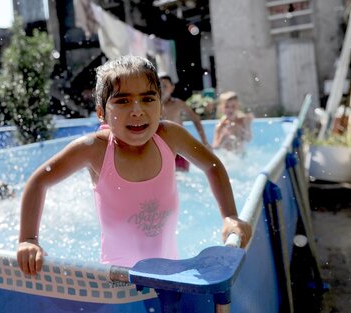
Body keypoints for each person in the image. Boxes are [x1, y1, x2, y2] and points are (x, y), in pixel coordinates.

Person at [17, 56, 252, 275]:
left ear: (161, 105)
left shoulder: (170, 136)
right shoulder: (94, 149)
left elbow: (212, 164)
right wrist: (28, 239)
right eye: (123, 101)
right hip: (117, 278)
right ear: (101, 113)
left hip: (170, 267)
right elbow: (39, 181)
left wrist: (230, 215)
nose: (137, 111)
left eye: (148, 99)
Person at [159, 74, 210, 171]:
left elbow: (195, 120)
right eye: (159, 86)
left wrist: (205, 142)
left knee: (181, 177)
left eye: (165, 86)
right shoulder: (154, 106)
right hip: (162, 151)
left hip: (179, 150)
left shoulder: (178, 104)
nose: (162, 89)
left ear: (172, 88)